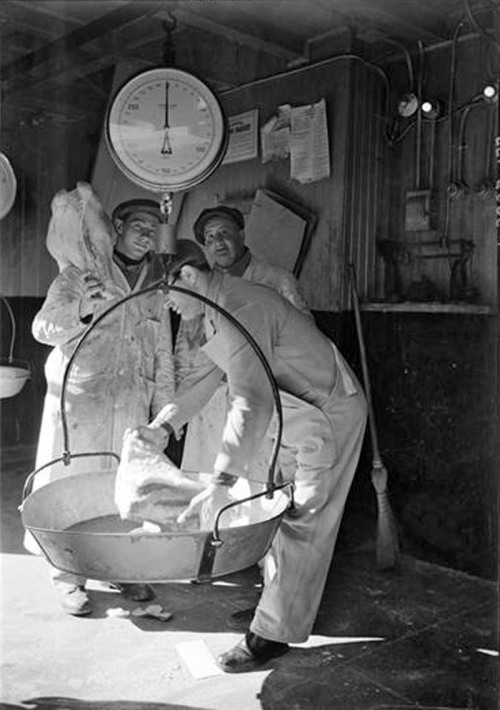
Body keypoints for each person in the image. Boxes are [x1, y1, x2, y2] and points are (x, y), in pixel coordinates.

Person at [146, 239, 367, 673]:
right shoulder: (216, 310)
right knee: (275, 511)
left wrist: (221, 482)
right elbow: (206, 378)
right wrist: (162, 427)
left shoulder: (239, 305)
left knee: (303, 522)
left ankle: (270, 635)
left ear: (188, 277)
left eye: (166, 293)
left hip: (327, 415)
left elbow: (251, 401)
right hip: (297, 416)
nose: (167, 304)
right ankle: (275, 607)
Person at [29, 194, 175, 616]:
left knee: (121, 489)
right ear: (117, 227)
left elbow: (162, 347)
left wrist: (165, 410)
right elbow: (42, 328)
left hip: (131, 402)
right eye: (138, 227)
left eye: (153, 229)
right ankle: (67, 577)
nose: (145, 236)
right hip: (83, 402)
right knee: (71, 490)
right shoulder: (79, 274)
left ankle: (120, 568)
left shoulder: (154, 284)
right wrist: (81, 309)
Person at [175, 204, 311, 479]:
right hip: (212, 398)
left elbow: (304, 336)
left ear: (241, 234)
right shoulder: (197, 287)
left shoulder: (275, 280)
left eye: (224, 233)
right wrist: (178, 404)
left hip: (264, 395)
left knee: (262, 483)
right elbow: (186, 349)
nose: (217, 242)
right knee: (211, 483)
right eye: (210, 238)